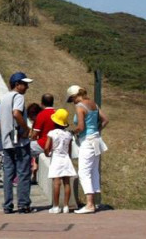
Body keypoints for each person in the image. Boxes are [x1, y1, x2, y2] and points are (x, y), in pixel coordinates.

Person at [67, 85, 108, 214]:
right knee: (94, 170)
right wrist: (97, 130)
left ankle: (90, 204)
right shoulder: (93, 104)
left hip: (87, 141)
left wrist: (73, 132)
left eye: (71, 99)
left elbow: (80, 126)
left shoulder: (80, 106)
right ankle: (95, 202)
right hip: (96, 139)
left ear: (74, 96)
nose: (72, 102)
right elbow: (105, 120)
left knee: (84, 172)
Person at [0, 72, 34, 214]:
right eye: (25, 84)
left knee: (8, 174)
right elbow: (16, 113)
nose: (27, 87)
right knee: (23, 172)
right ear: (17, 85)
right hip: (19, 141)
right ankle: (23, 204)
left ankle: (7, 205)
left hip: (7, 140)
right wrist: (26, 128)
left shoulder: (5, 97)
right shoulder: (18, 97)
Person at [44, 108, 75, 214]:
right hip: (66, 157)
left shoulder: (52, 133)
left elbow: (47, 147)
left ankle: (56, 206)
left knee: (56, 183)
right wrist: (69, 158)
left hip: (56, 157)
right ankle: (66, 206)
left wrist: (47, 153)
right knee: (67, 182)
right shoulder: (69, 135)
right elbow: (70, 149)